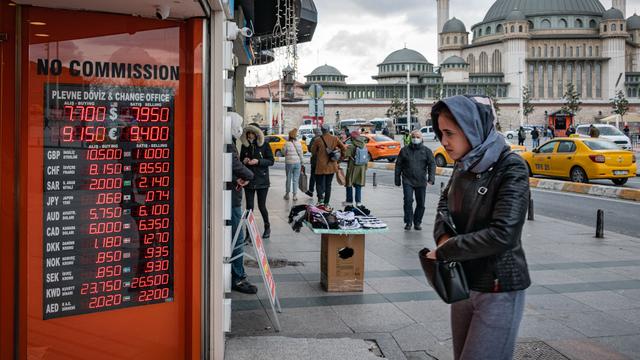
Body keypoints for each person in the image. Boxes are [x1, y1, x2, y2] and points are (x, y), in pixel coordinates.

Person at [429, 95, 531, 360]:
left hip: (498, 287)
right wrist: (442, 236)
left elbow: (503, 234)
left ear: (472, 130)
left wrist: (447, 250)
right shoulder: (464, 164)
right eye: (441, 133)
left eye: (450, 133)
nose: (444, 142)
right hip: (462, 283)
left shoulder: (511, 167)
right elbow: (444, 206)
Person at [228, 113, 258, 294]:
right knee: (237, 238)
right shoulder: (229, 144)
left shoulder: (228, 142)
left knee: (234, 237)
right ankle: (238, 277)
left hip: (231, 195)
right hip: (231, 199)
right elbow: (234, 165)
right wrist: (249, 174)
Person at [394, 130, 436, 231]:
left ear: (421, 138)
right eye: (413, 136)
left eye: (417, 137)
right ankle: (408, 222)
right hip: (407, 180)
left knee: (421, 203)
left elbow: (432, 164)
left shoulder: (427, 151)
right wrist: (397, 178)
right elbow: (398, 165)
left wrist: (431, 178)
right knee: (408, 201)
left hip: (421, 181)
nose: (415, 138)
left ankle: (417, 222)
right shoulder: (404, 150)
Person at [239, 124, 275, 239]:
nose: (250, 135)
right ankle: (249, 233)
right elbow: (240, 161)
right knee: (249, 207)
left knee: (262, 206)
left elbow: (271, 161)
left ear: (257, 134)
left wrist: (258, 161)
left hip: (262, 180)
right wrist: (244, 161)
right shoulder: (245, 146)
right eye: (248, 133)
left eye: (252, 133)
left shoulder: (265, 144)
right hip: (249, 180)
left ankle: (267, 227)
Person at [310, 123, 346, 208]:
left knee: (319, 183)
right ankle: (326, 203)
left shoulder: (318, 140)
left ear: (321, 130)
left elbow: (313, 151)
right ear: (329, 129)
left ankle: (320, 200)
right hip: (331, 165)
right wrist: (339, 159)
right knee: (328, 184)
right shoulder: (335, 138)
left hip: (321, 166)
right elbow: (343, 148)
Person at [344, 130, 369, 211]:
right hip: (362, 168)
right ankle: (358, 203)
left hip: (352, 167)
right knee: (358, 185)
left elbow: (345, 155)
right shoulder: (364, 145)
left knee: (349, 184)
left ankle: (349, 204)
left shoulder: (351, 146)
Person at [283, 128, 304, 201]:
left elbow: (284, 153)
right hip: (297, 163)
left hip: (289, 163)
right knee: (295, 180)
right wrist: (302, 162)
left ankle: (287, 194)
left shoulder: (286, 143)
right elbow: (301, 154)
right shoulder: (299, 143)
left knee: (288, 179)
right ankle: (295, 195)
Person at [305, 127, 322, 197]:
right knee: (321, 177)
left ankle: (311, 191)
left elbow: (310, 149)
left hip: (315, 160)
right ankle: (321, 193)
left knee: (313, 177)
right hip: (322, 161)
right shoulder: (323, 138)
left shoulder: (314, 139)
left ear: (315, 133)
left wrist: (308, 145)